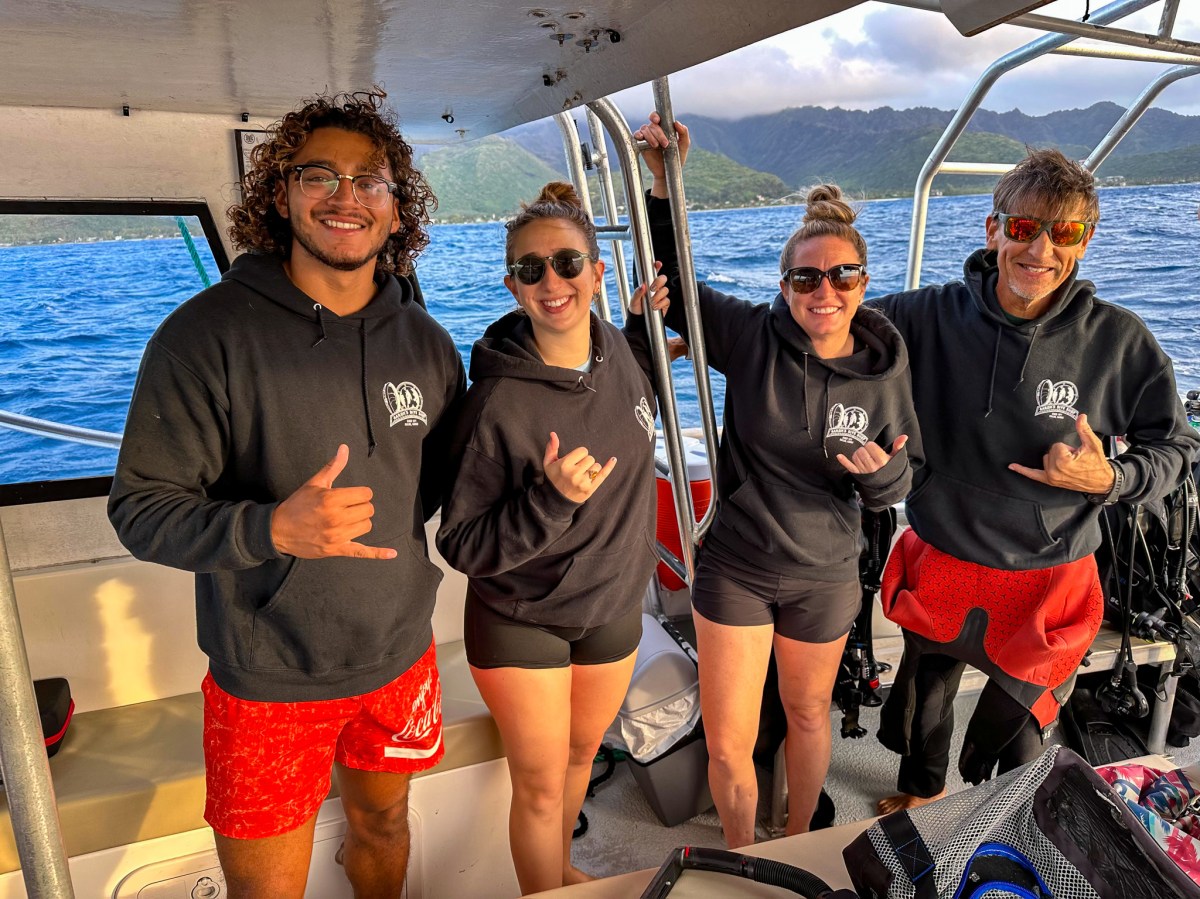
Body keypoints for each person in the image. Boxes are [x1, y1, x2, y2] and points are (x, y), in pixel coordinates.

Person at [108, 88, 466, 898]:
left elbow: (438, 484)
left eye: (369, 180)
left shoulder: (429, 342)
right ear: (280, 194)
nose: (345, 196)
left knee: (384, 828)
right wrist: (274, 529)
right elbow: (140, 509)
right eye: (319, 175)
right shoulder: (204, 336)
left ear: (396, 209)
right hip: (266, 677)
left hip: (400, 657)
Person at [870, 148, 1200, 814]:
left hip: (1051, 574)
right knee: (923, 703)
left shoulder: (1118, 341)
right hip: (943, 556)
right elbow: (823, 328)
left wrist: (1111, 474)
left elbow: (1177, 447)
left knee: (1016, 742)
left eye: (1065, 232)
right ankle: (919, 793)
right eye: (1023, 228)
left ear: (1086, 240)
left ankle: (1007, 831)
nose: (1041, 248)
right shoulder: (924, 316)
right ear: (992, 230)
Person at [633, 113, 922, 848]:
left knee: (807, 714)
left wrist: (884, 477)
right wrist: (666, 187)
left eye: (841, 275)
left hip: (826, 574)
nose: (823, 290)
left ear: (863, 281)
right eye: (805, 277)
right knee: (729, 739)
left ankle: (798, 843)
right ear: (785, 284)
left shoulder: (885, 368)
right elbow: (677, 272)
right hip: (738, 565)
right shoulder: (752, 337)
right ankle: (742, 851)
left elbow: (897, 484)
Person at [434, 182, 669, 894]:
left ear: (598, 272)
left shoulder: (620, 352)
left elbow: (635, 383)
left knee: (579, 761)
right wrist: (551, 499)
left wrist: (656, 193)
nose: (552, 282)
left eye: (567, 263)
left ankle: (562, 873)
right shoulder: (495, 403)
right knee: (538, 788)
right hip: (521, 619)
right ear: (512, 285)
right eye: (530, 269)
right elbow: (463, 544)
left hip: (611, 610)